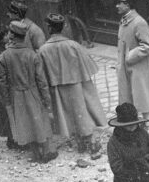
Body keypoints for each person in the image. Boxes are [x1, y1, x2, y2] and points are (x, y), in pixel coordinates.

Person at [38, 14, 106, 153]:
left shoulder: (43, 50)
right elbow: (88, 67)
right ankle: (90, 141)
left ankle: (79, 141)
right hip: (76, 85)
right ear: (63, 28)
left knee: (66, 113)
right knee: (82, 112)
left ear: (50, 28)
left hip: (57, 87)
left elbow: (41, 74)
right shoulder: (73, 45)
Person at [0, 21, 54, 163]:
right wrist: (47, 100)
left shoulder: (4, 56)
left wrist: (6, 101)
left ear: (12, 36)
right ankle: (46, 152)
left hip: (16, 95)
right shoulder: (32, 55)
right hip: (34, 93)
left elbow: (1, 82)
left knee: (24, 123)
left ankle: (35, 154)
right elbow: (42, 81)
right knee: (40, 121)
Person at [115, 0, 149, 129]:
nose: (116, 6)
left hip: (137, 65)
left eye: (119, 3)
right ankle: (133, 119)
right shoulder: (125, 20)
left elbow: (147, 45)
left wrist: (129, 57)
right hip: (127, 65)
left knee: (141, 93)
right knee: (129, 92)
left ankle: (148, 121)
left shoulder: (139, 22)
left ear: (127, 5)